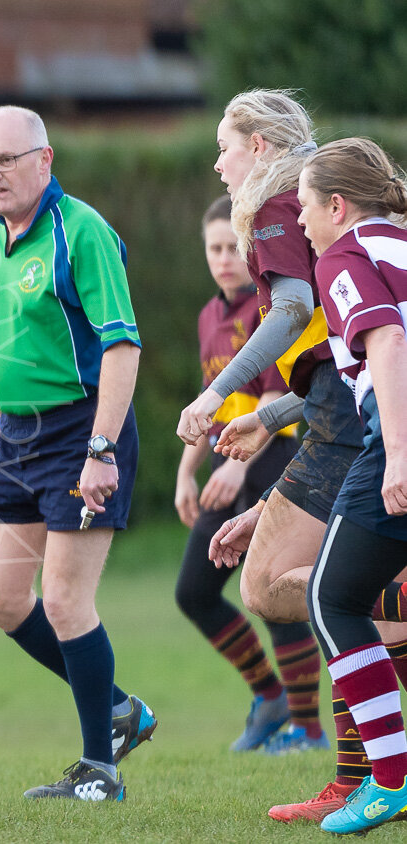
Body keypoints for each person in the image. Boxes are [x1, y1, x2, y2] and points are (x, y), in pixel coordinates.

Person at [189, 90, 407, 823]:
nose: (217, 162)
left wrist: (218, 395)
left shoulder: (290, 210)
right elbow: (344, 356)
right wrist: (276, 414)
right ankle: (362, 775)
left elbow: (323, 326)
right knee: (328, 595)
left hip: (367, 430)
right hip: (342, 417)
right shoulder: (371, 235)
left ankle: (375, 775)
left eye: (224, 145)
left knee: (295, 591)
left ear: (259, 146)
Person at [0, 105, 154, 802]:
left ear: (45, 160)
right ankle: (121, 711)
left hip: (82, 432)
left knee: (67, 600)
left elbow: (123, 345)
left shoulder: (82, 231)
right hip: (17, 438)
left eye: (6, 160)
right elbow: (3, 344)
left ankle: (99, 769)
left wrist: (101, 448)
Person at [173, 196, 321, 754]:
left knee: (273, 589)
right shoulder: (209, 317)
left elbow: (276, 391)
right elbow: (214, 407)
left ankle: (306, 729)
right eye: (213, 248)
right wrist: (189, 472)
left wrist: (239, 471)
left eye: (233, 246)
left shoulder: (271, 304)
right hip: (223, 464)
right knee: (194, 590)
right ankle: (269, 696)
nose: (224, 258)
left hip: (270, 459)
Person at [289, 136, 407, 834]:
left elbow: (387, 342)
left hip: (396, 438)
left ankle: (389, 781)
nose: (301, 222)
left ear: (336, 205)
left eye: (305, 205)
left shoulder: (344, 255)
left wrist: (397, 453)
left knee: (333, 599)